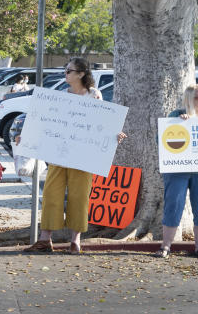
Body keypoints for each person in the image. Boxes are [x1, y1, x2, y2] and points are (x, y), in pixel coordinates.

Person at [23, 57, 125, 255]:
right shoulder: (61, 96)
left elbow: (103, 123)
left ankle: (75, 241)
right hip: (58, 155)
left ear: (81, 74)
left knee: (79, 196)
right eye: (65, 70)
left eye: (69, 71)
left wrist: (114, 135)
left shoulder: (94, 95)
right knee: (52, 194)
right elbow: (48, 124)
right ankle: (45, 239)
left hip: (83, 157)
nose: (65, 73)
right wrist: (26, 136)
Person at [157, 84, 198, 259]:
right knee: (173, 205)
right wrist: (179, 125)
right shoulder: (176, 116)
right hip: (178, 170)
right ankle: (166, 246)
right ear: (190, 100)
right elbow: (160, 140)